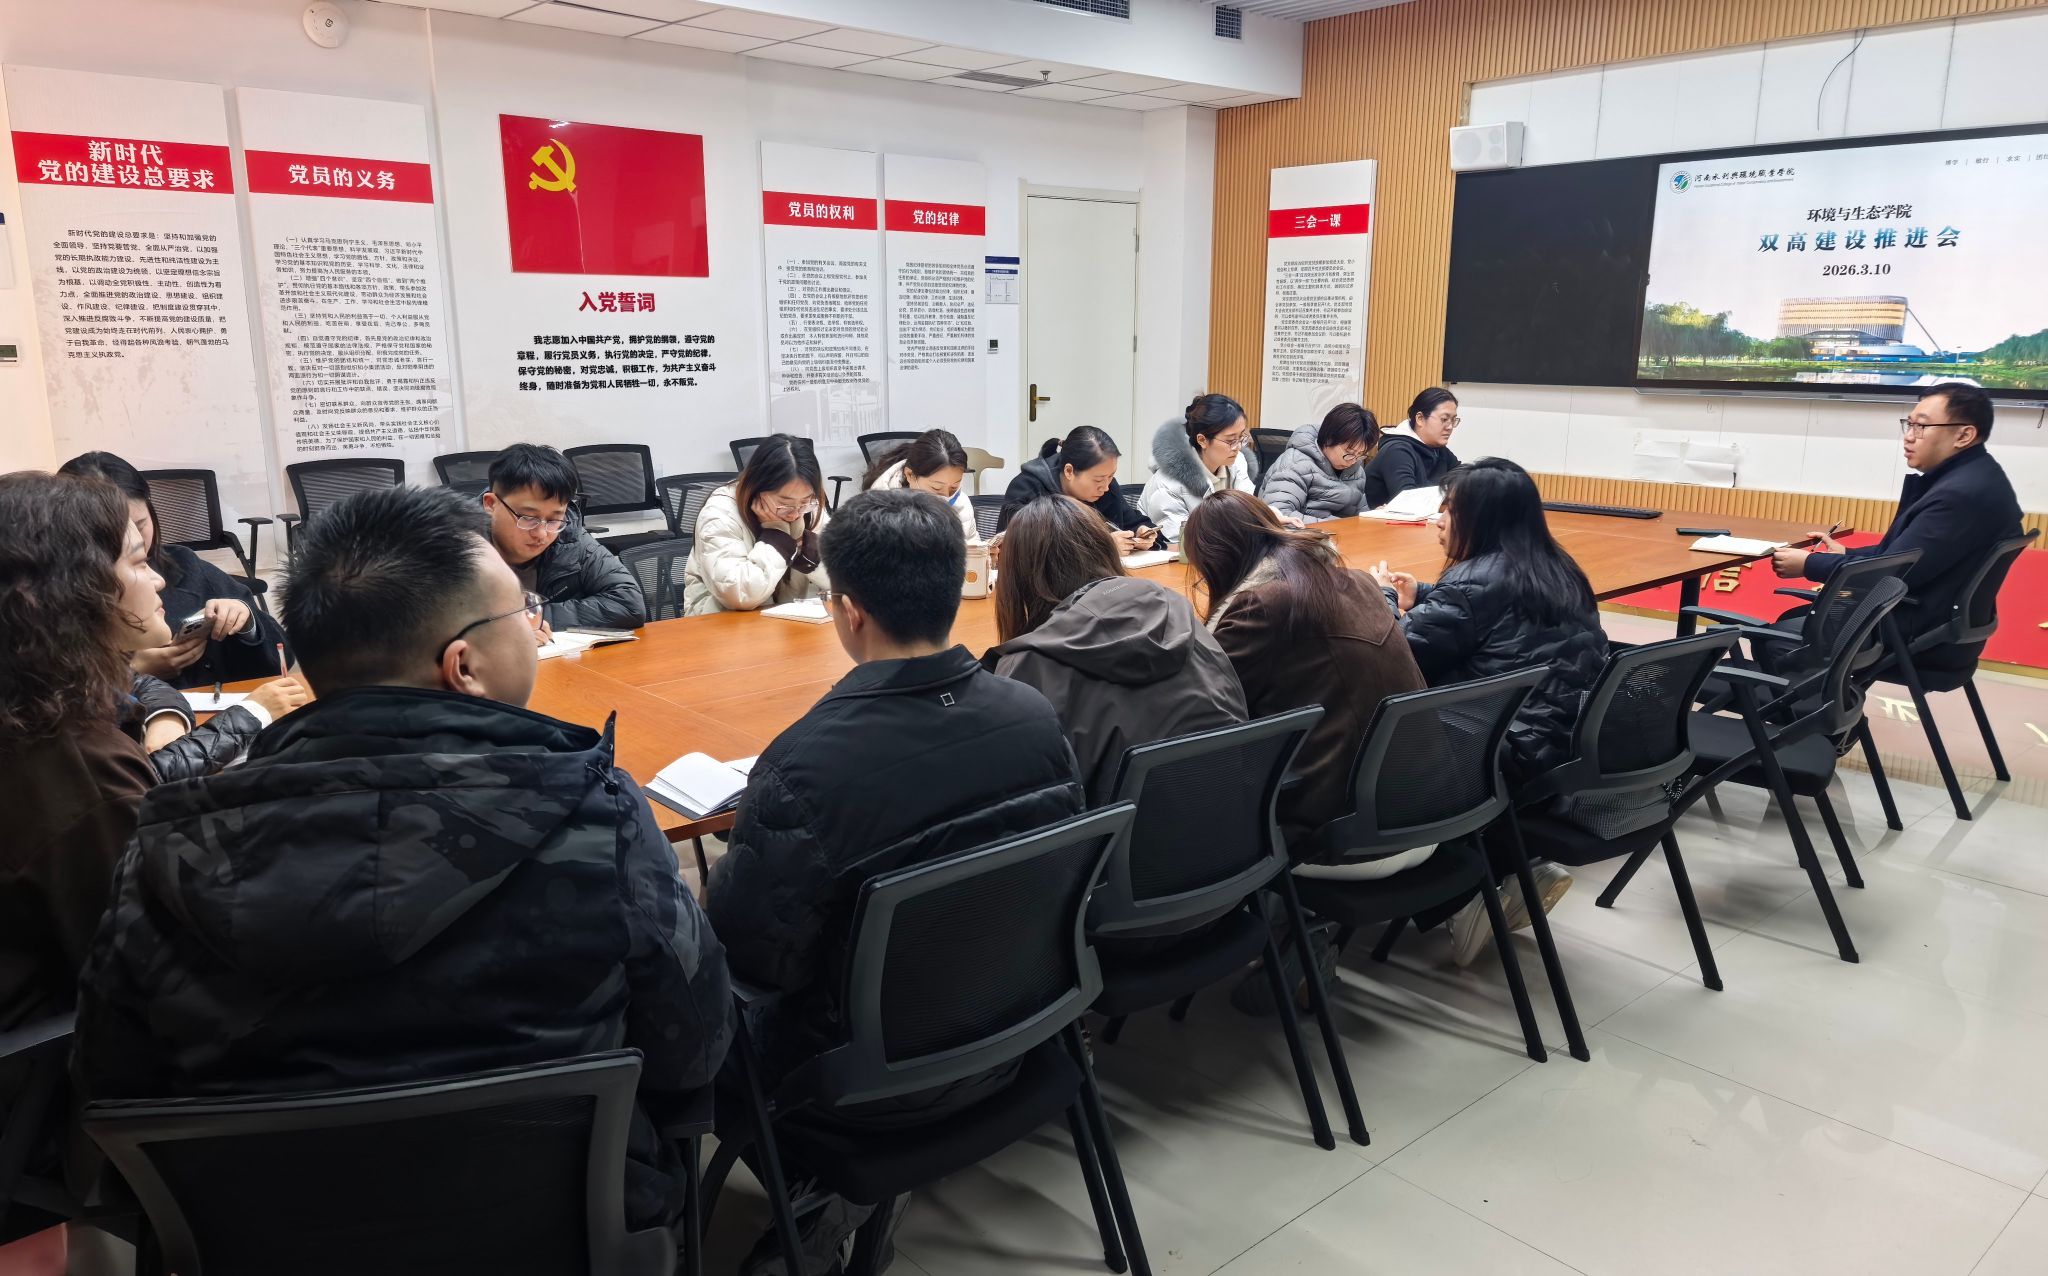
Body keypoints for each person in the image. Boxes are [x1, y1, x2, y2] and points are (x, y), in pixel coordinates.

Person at [75, 484, 731, 1236]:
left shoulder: (166, 849)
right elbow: (696, 1045)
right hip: (562, 1234)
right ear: (464, 666)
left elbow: (110, 1094)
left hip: (262, 1243)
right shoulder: (596, 817)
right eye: (524, 611)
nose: (534, 623)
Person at [706, 489, 1084, 1274]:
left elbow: (749, 962)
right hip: (1020, 1029)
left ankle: (807, 1198)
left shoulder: (805, 767)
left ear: (849, 612)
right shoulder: (1033, 714)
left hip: (863, 1087)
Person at [1371, 459, 1598, 965]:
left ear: (1483, 519)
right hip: (1562, 742)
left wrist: (1382, 596)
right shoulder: (1558, 568)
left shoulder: (1475, 582)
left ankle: (1463, 899)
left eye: (1449, 510)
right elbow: (1500, 615)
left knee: (1364, 738)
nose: (1438, 520)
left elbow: (1396, 652)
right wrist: (1425, 595)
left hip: (1498, 752)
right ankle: (1506, 869)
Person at [0, 472, 167, 1047]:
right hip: (50, 1070)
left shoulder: (26, 709)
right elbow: (148, 973)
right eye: (139, 562)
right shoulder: (83, 769)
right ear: (80, 592)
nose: (159, 578)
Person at [1181, 490, 1424, 861]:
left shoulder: (1261, 604)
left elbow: (1203, 707)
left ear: (1216, 560)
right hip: (1426, 811)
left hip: (1344, 834)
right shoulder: (1359, 581)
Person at [987, 494, 1246, 803]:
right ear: (1103, 548)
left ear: (1019, 576)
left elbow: (1035, 800)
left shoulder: (1029, 665)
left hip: (1127, 832)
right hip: (1233, 810)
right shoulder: (1177, 609)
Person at [1772, 382, 2024, 669]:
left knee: (1779, 638)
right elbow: (1902, 554)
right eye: (1909, 424)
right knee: (1793, 623)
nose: (1909, 436)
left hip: (1916, 631)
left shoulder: (1960, 495)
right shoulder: (1976, 477)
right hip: (1933, 623)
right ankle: (1824, 698)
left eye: (1921, 427)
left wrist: (1809, 564)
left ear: (1964, 435)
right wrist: (1845, 555)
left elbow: (1892, 572)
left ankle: (1808, 700)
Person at [58, 451, 291, 689]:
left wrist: (247, 624)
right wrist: (129, 670)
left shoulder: (184, 566)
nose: (136, 539)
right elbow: (58, 690)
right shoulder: (56, 603)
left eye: (141, 525)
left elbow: (281, 655)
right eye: (116, 534)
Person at [481, 442, 648, 634]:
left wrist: (533, 619)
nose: (542, 534)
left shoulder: (570, 538)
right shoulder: (459, 546)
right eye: (528, 518)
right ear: (491, 504)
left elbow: (629, 603)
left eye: (553, 520)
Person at [683, 433, 830, 615]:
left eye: (805, 501)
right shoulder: (720, 513)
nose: (794, 513)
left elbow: (846, 578)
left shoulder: (808, 509)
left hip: (787, 621)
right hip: (720, 622)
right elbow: (739, 594)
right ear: (757, 488)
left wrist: (804, 546)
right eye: (784, 504)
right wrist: (777, 538)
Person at [995, 425, 1161, 552]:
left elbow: (1131, 520)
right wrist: (1103, 548)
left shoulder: (1107, 488)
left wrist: (1141, 533)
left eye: (1111, 476)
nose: (1105, 487)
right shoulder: (1028, 489)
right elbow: (1020, 549)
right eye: (1098, 479)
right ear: (1069, 471)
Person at [130, 670, 308, 781]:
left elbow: (142, 683)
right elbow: (149, 777)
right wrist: (254, 712)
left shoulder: (111, 666)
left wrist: (166, 716)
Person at [1141, 393, 1256, 541]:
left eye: (1241, 437)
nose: (1238, 447)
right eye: (1230, 440)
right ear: (1202, 440)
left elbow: (1248, 508)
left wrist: (1269, 516)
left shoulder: (1236, 462)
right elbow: (1179, 542)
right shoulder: (1168, 484)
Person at [1261, 403, 1380, 524]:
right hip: (1303, 535)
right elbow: (1280, 516)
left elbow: (1359, 517)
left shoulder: (1356, 471)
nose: (1353, 460)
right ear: (1329, 439)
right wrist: (1340, 525)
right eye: (1349, 452)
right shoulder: (1295, 464)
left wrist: (1374, 517)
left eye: (1360, 454)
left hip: (1338, 534)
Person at [861, 427, 980, 546]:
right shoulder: (878, 510)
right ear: (910, 475)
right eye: (936, 488)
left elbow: (973, 547)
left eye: (954, 487)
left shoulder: (962, 504)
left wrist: (981, 552)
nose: (947, 497)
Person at [1363, 387, 1461, 509]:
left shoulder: (1438, 449)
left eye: (1453, 420)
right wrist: (1448, 493)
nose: (1450, 427)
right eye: (1444, 419)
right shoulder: (1397, 450)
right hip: (1379, 520)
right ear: (1420, 419)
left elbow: (1464, 479)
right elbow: (1408, 501)